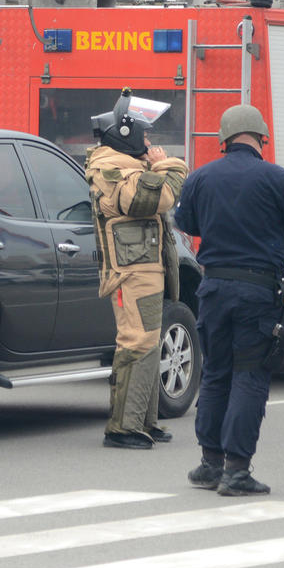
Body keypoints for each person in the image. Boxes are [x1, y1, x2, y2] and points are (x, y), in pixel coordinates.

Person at [174, 104, 284, 496]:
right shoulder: (279, 178)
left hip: (214, 289)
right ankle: (237, 471)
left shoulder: (200, 178)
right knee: (250, 376)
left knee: (217, 373)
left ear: (223, 140)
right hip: (257, 291)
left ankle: (210, 464)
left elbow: (184, 223)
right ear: (261, 138)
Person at [85, 89, 188, 450]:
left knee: (148, 343)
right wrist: (169, 166)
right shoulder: (108, 167)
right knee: (136, 343)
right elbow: (147, 198)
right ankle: (122, 428)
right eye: (144, 135)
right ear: (122, 134)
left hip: (143, 269)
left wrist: (151, 164)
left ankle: (144, 421)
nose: (149, 142)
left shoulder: (125, 163)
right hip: (131, 273)